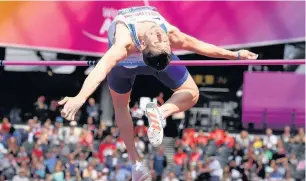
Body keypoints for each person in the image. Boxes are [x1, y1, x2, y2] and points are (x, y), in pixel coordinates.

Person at [58, 6, 258, 181]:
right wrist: (80, 98)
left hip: (141, 62)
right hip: (133, 62)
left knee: (187, 94)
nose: (160, 35)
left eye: (162, 40)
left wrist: (236, 55)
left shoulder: (141, 42)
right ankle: (139, 155)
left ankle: (158, 117)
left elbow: (202, 48)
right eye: (159, 38)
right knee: (127, 104)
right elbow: (99, 71)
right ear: (143, 46)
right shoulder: (134, 41)